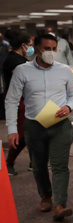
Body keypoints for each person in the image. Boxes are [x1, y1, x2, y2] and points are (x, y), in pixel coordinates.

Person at [5, 33, 73, 220]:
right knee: (38, 166)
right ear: (37, 49)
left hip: (60, 125)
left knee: (60, 165)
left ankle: (60, 204)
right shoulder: (22, 71)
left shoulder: (64, 71)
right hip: (34, 126)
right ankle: (45, 196)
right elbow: (11, 100)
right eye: (47, 49)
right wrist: (12, 130)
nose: (51, 52)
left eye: (54, 49)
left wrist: (68, 106)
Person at [2, 30, 34, 176]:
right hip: (17, 100)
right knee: (21, 134)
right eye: (30, 45)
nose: (31, 48)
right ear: (23, 45)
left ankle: (34, 162)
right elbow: (24, 80)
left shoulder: (17, 59)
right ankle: (9, 162)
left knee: (33, 131)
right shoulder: (15, 61)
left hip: (25, 99)